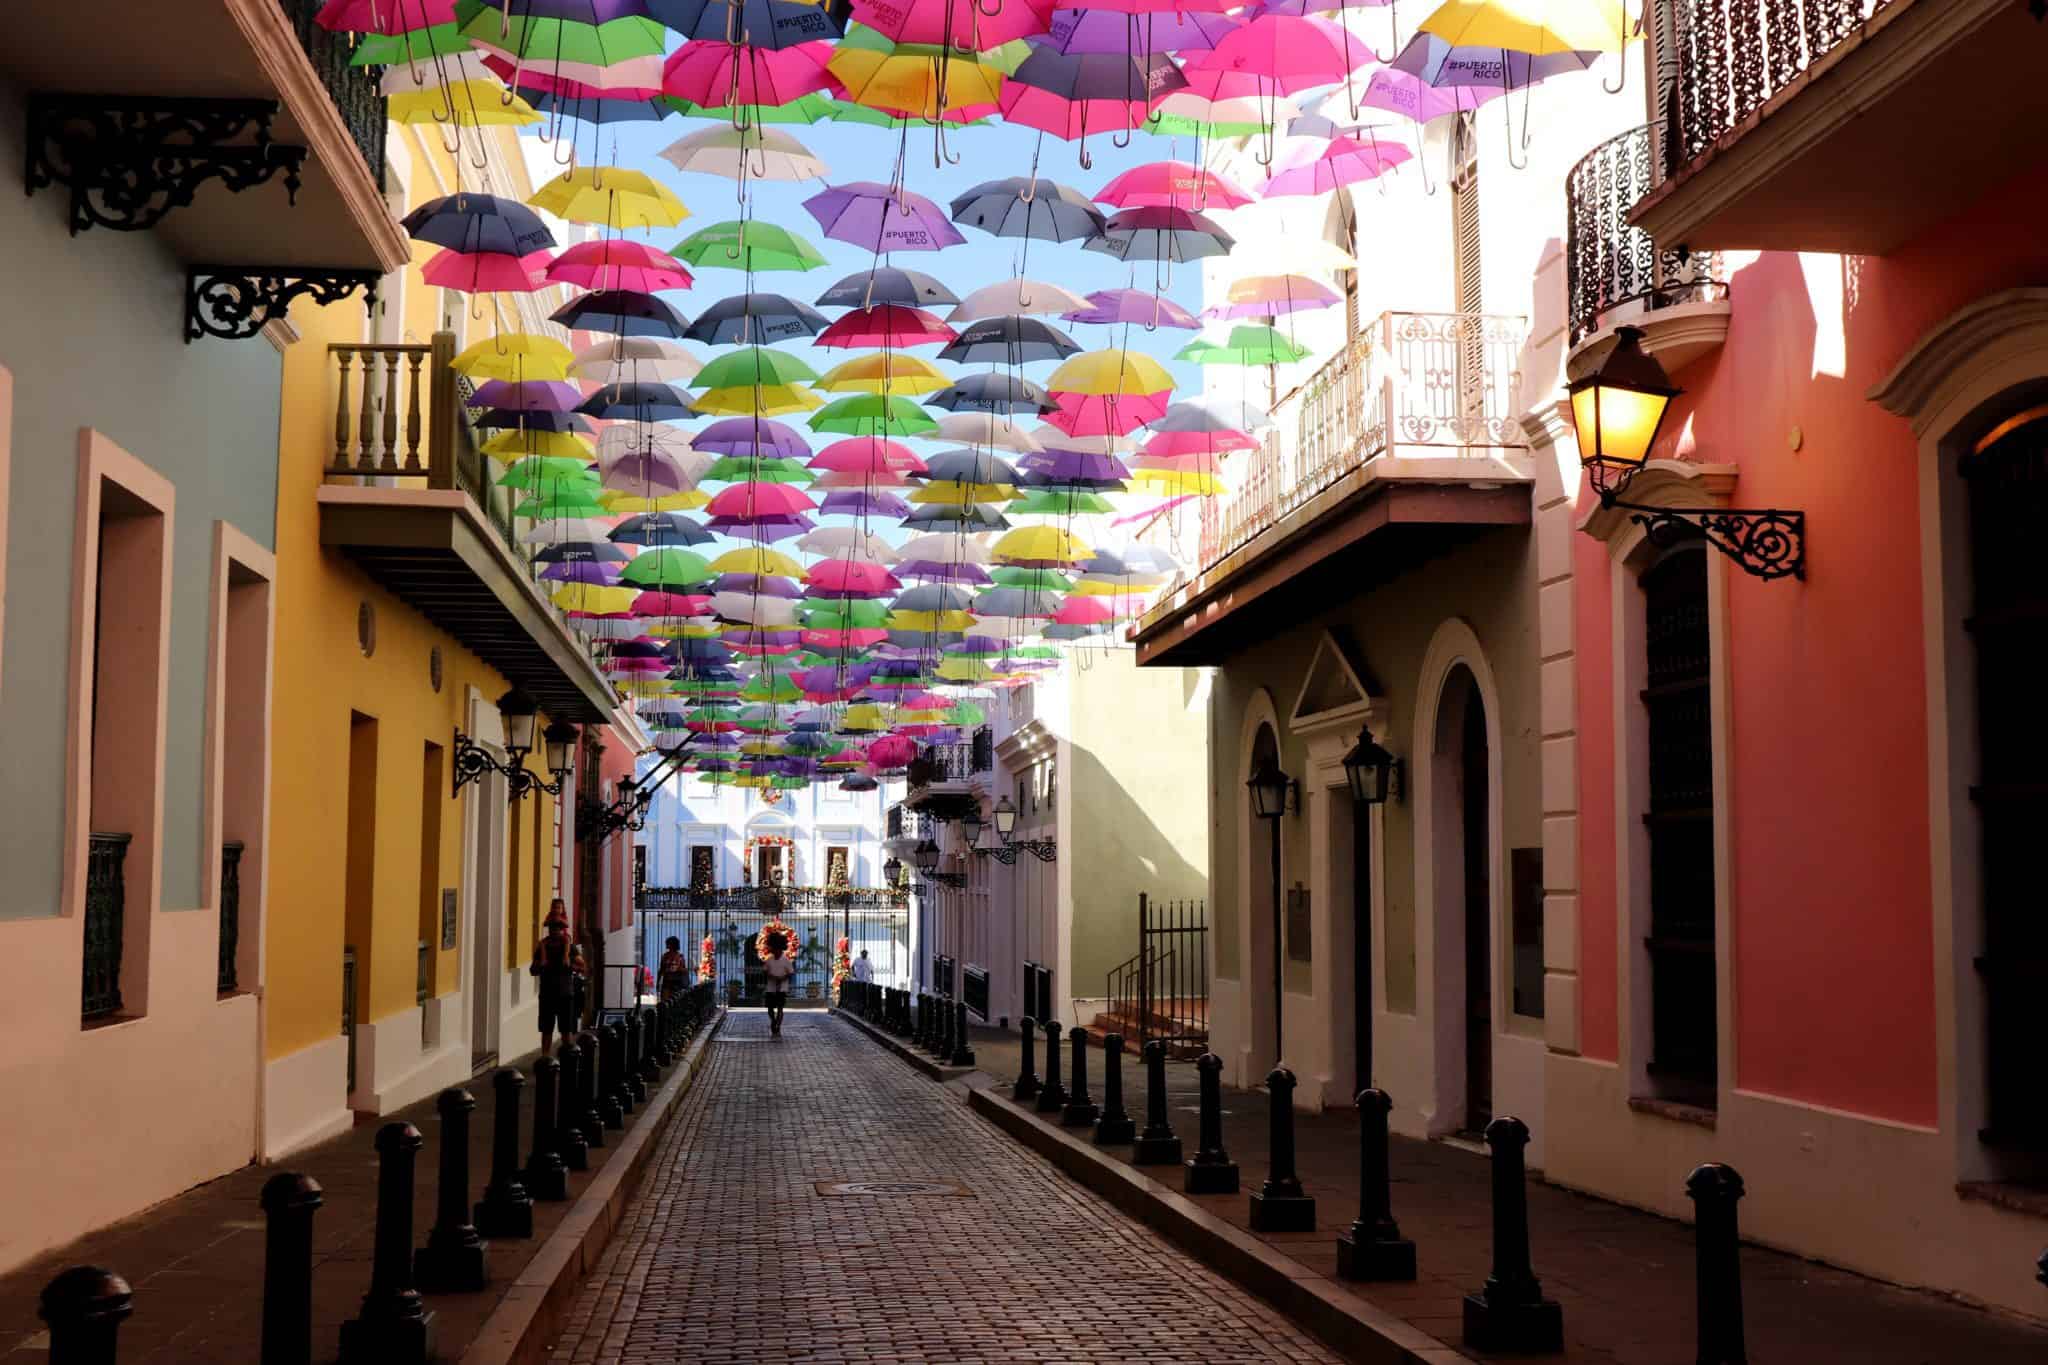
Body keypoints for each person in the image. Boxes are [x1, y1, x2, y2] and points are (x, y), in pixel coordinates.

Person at [530, 901, 580, 1057]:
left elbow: (583, 967)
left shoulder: (569, 946)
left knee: (566, 1031)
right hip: (547, 994)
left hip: (565, 994)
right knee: (546, 1031)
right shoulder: (542, 946)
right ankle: (545, 1059)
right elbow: (533, 969)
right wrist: (541, 963)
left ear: (562, 929)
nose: (555, 930)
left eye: (558, 927)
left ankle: (569, 1059)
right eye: (552, 927)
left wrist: (570, 966)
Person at [762, 930, 794, 1035]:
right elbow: (765, 972)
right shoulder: (769, 959)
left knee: (780, 1008)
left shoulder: (786, 960)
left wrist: (783, 978)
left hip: (782, 988)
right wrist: (772, 976)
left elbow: (791, 973)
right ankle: (773, 1021)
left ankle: (778, 1026)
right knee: (770, 1008)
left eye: (777, 949)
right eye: (774, 949)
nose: (775, 951)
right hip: (770, 987)